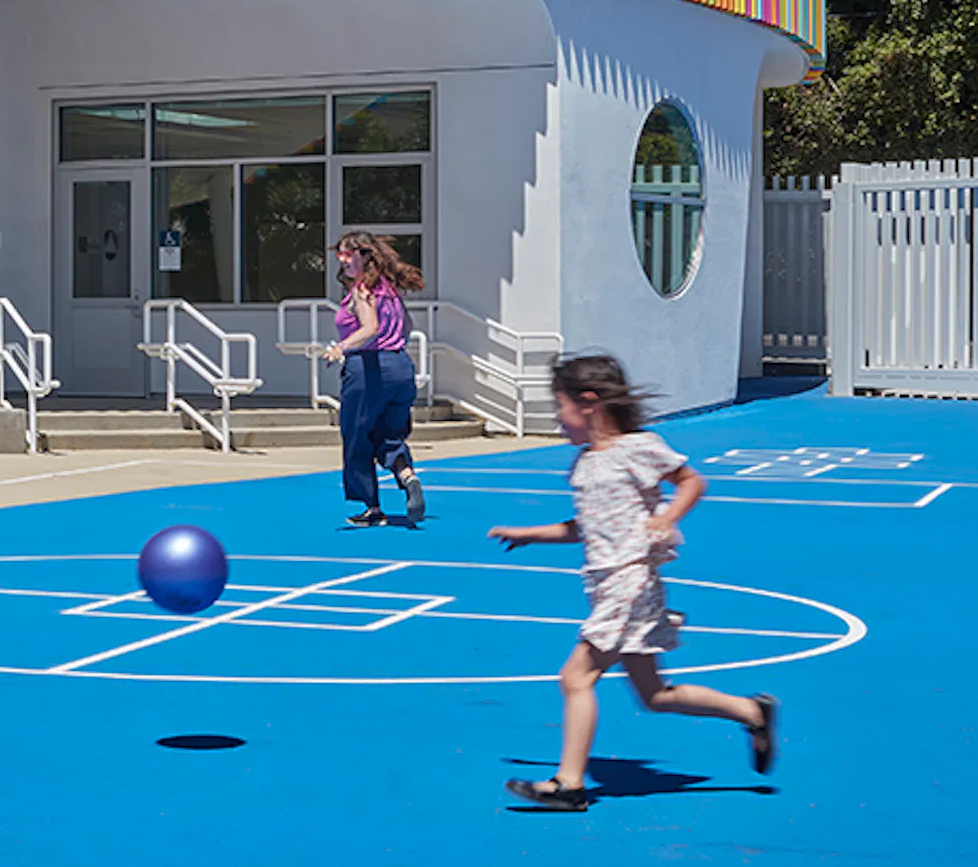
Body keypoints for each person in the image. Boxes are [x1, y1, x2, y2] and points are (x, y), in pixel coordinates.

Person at [489, 352, 776, 808]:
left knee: (575, 678)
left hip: (632, 581)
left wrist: (667, 517)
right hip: (608, 584)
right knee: (655, 695)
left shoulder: (638, 448)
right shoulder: (585, 463)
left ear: (589, 404)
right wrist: (531, 535)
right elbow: (587, 526)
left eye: (559, 407)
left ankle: (570, 784)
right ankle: (751, 711)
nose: (558, 420)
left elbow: (691, 481)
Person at [316, 230, 425, 528]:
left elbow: (370, 327)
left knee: (357, 437)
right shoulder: (390, 291)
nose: (344, 260)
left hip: (368, 370)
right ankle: (407, 476)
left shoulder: (363, 292)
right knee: (389, 435)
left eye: (350, 254)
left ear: (366, 256)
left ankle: (372, 506)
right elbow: (407, 327)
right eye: (341, 254)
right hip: (400, 368)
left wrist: (341, 347)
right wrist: (393, 350)